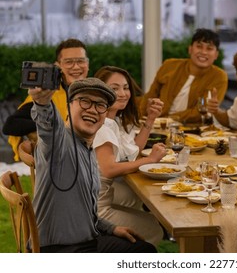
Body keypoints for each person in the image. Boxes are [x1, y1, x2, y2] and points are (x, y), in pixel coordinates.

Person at [29, 77, 156, 253]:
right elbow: (48, 124)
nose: (93, 110)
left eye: (100, 105)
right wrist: (42, 102)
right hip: (58, 250)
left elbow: (85, 211)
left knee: (143, 248)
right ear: (69, 106)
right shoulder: (60, 142)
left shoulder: (88, 148)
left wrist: (112, 229)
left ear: (105, 116)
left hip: (87, 239)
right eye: (85, 101)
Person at [93, 66, 165, 246]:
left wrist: (150, 119)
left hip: (101, 194)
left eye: (125, 88)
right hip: (95, 207)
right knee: (154, 228)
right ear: (101, 91)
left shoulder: (111, 121)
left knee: (140, 195)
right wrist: (150, 160)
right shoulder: (101, 125)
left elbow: (131, 152)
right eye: (114, 88)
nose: (123, 93)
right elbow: (109, 169)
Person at [3, 38, 89, 161]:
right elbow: (11, 125)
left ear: (88, 64)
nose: (76, 67)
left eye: (81, 61)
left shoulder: (96, 92)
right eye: (69, 62)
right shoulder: (47, 95)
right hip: (59, 162)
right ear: (58, 65)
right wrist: (52, 127)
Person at [139, 28, 228, 124]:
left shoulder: (219, 76)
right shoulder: (170, 65)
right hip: (157, 124)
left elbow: (202, 110)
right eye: (199, 46)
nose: (203, 52)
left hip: (192, 129)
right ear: (190, 49)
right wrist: (141, 117)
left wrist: (170, 118)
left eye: (209, 48)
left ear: (216, 55)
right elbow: (150, 96)